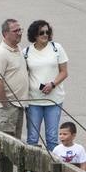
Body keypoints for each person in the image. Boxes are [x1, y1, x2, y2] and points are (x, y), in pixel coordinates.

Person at [23, 19, 68, 151]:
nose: (45, 35)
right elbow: (23, 75)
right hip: (33, 101)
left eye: (47, 32)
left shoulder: (57, 48)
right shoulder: (26, 52)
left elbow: (64, 72)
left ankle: (52, 170)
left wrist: (53, 84)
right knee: (32, 138)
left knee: (52, 138)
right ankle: (31, 171)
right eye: (41, 32)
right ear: (34, 35)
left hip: (53, 100)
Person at [0, 18, 30, 139]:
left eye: (20, 30)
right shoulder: (1, 53)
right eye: (15, 30)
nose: (19, 33)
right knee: (7, 143)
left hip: (18, 104)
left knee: (16, 142)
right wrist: (5, 104)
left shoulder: (17, 48)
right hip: (8, 105)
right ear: (5, 34)